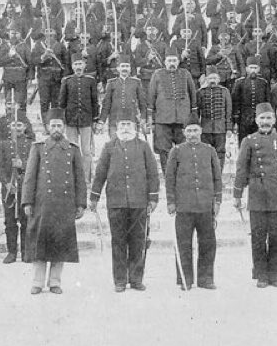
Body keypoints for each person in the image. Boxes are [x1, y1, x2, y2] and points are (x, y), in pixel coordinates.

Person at [90, 118, 160, 291]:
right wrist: (94, 197)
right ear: (116, 127)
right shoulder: (109, 147)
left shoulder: (144, 147)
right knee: (118, 241)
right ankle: (120, 280)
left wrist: (153, 198)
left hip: (139, 202)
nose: (125, 128)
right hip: (116, 202)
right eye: (122, 125)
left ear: (135, 127)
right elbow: (100, 173)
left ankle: (136, 279)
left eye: (129, 124)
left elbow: (152, 173)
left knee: (138, 241)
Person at [233, 104, 277, 288]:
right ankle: (261, 274)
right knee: (258, 237)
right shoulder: (248, 141)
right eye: (262, 118)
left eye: (269, 118)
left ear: (274, 120)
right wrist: (237, 195)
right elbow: (241, 170)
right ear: (256, 120)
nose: (265, 122)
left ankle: (275, 275)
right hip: (257, 195)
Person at [23, 117, 87, 295]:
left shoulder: (73, 149)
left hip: (64, 204)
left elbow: (80, 178)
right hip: (42, 203)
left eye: (59, 125)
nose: (57, 129)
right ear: (47, 128)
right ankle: (37, 282)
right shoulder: (38, 147)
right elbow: (30, 176)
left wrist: (81, 203)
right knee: (39, 242)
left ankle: (55, 282)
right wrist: (27, 201)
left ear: (64, 127)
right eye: (53, 126)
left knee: (60, 243)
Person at [165, 121, 222, 288]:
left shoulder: (210, 150)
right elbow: (170, 178)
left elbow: (217, 177)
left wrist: (217, 200)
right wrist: (171, 201)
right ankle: (185, 279)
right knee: (183, 243)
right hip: (184, 207)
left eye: (195, 130)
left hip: (205, 206)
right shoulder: (176, 151)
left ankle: (205, 279)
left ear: (201, 131)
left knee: (208, 243)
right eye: (188, 131)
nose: (192, 134)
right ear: (183, 132)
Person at [149, 52, 197, 170]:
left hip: (183, 119)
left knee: (184, 149)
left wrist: (193, 116)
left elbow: (192, 95)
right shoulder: (157, 74)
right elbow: (151, 96)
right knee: (164, 150)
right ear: (165, 62)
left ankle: (183, 175)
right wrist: (150, 117)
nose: (172, 63)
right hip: (163, 119)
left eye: (174, 61)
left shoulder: (185, 74)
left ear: (178, 62)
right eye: (169, 61)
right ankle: (168, 176)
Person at [0, 118, 34, 263]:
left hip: (25, 188)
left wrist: (22, 164)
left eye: (19, 125)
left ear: (24, 127)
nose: (16, 128)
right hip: (8, 189)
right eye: (13, 125)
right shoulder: (2, 145)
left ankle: (26, 252)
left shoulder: (31, 144)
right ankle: (11, 252)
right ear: (9, 128)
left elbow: (35, 165)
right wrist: (6, 184)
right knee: (10, 221)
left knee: (26, 220)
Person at [57, 57, 99, 185]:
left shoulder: (90, 80)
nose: (78, 67)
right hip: (71, 120)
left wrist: (95, 119)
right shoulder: (67, 81)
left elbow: (94, 101)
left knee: (86, 151)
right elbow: (62, 102)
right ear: (72, 66)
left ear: (85, 65)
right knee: (72, 149)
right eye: (76, 64)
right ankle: (73, 177)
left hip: (86, 120)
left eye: (80, 64)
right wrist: (62, 120)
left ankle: (86, 179)